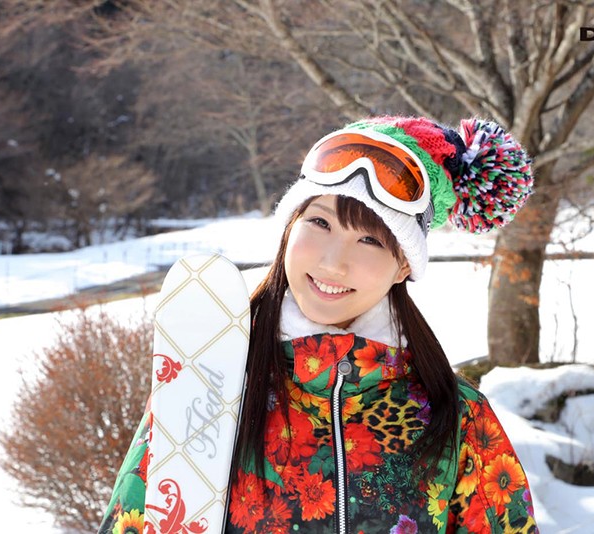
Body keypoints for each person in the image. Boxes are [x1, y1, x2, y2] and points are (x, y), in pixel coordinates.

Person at [99, 115, 538, 533]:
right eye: (320, 222)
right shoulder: (207, 387)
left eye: (369, 239)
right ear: (290, 228)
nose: (333, 262)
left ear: (404, 265)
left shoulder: (458, 417)